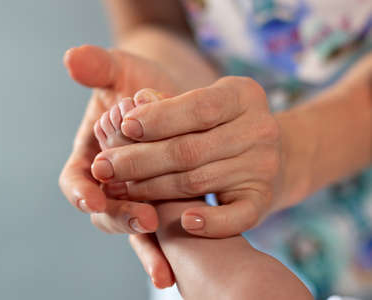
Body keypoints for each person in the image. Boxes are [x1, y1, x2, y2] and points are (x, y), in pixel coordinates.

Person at [59, 1, 372, 299]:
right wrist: (173, 109)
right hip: (239, 223)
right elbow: (156, 22)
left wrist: (292, 153)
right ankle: (192, 233)